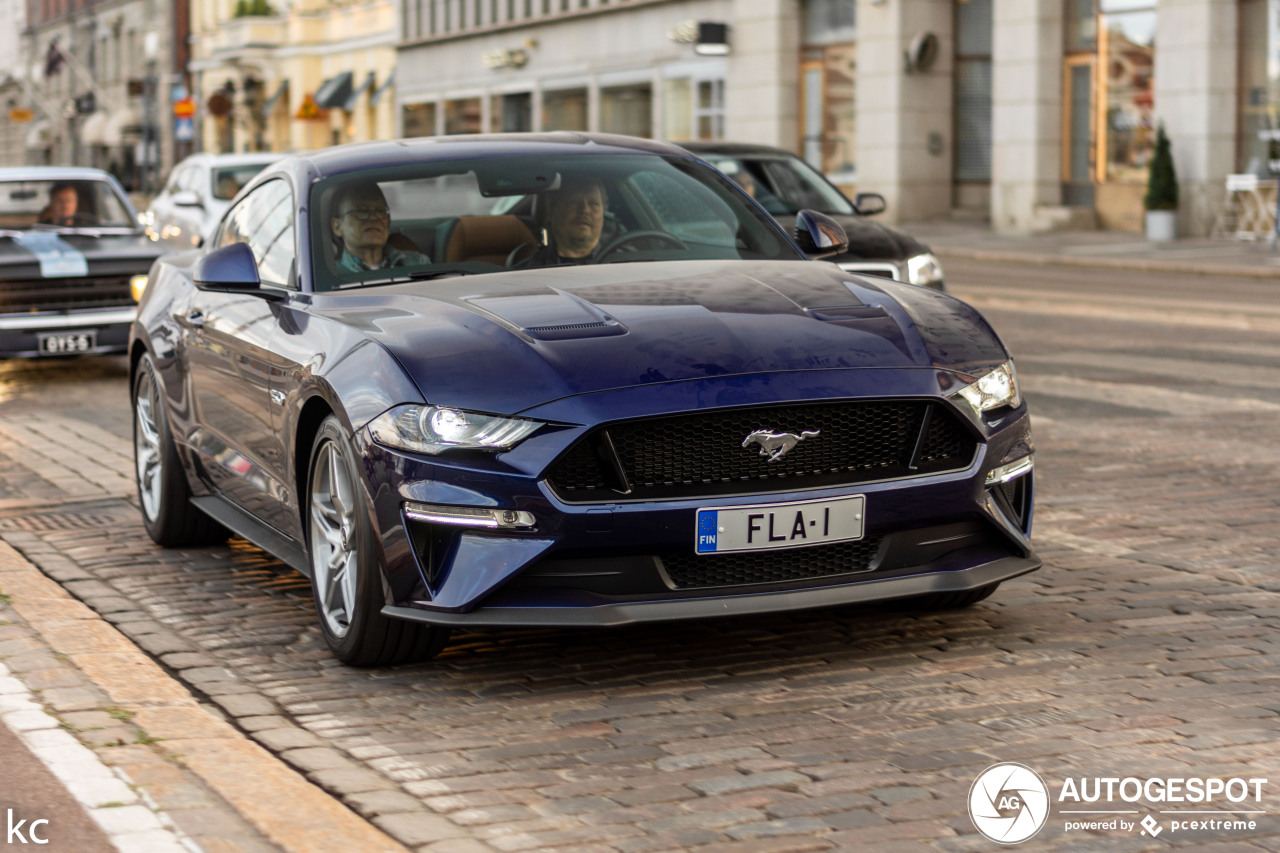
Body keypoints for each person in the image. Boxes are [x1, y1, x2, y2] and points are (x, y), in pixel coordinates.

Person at [331, 183, 430, 272]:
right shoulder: (333, 276)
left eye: (380, 211)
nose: (374, 218)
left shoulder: (418, 263)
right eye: (361, 212)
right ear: (337, 226)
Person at [520, 176, 608, 267]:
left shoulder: (621, 261)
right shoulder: (532, 269)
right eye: (574, 202)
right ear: (551, 209)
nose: (585, 210)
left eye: (593, 203)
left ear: (603, 213)